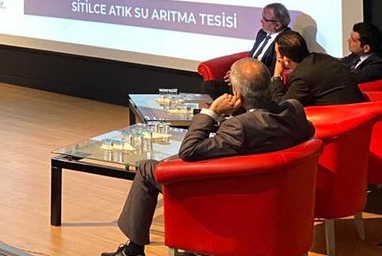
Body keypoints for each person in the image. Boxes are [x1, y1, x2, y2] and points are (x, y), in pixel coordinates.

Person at [102, 58, 315, 256]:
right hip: (276, 196)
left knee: (147, 168)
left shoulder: (239, 127)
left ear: (237, 93)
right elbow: (294, 131)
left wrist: (211, 113)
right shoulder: (293, 110)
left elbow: (188, 151)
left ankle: (133, 251)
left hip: (225, 197)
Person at [201, 2, 292, 98]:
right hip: (244, 81)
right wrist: (236, 72)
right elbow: (251, 57)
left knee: (210, 88)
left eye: (265, 19)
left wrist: (241, 76)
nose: (261, 21)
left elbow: (273, 70)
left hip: (257, 87)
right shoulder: (262, 33)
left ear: (277, 25)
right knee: (209, 85)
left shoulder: (285, 41)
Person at [269, 31, 366, 106]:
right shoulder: (321, 58)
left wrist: (277, 76)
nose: (276, 58)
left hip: (341, 118)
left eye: (277, 54)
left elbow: (281, 106)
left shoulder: (302, 77)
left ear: (286, 59)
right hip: (358, 109)